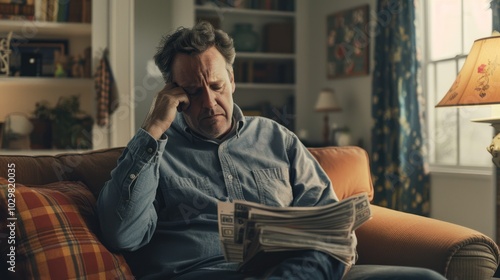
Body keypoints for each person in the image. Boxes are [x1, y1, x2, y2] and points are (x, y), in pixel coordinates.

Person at [96, 21, 446, 280]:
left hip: (291, 268)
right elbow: (122, 235)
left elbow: (327, 223)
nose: (210, 102)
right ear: (174, 93)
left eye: (217, 86)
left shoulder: (278, 139)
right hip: (205, 272)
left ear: (232, 80)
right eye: (193, 91)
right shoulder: (155, 152)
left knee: (424, 278)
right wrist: (153, 128)